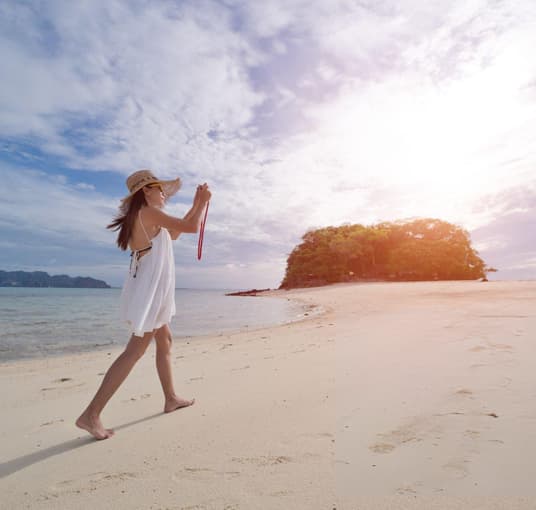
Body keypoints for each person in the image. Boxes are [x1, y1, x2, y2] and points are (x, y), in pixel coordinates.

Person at [76, 169, 211, 440]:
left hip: (153, 290)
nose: (163, 194)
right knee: (135, 351)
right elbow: (191, 227)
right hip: (151, 292)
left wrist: (198, 205)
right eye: (159, 189)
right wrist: (201, 204)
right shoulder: (148, 214)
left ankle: (170, 398)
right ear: (146, 191)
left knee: (165, 341)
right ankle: (91, 414)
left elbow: (176, 233)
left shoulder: (149, 218)